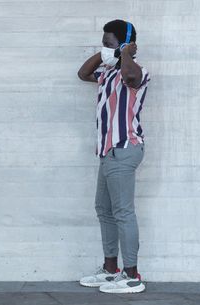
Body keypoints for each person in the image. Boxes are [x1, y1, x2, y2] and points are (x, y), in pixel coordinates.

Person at [75, 19, 151, 294]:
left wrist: (126, 53)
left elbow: (131, 77)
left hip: (124, 148)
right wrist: (105, 54)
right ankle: (110, 270)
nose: (104, 47)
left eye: (108, 43)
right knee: (104, 210)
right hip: (107, 151)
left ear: (125, 45)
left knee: (122, 212)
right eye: (103, 43)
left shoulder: (137, 72)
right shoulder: (106, 73)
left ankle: (132, 276)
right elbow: (83, 73)